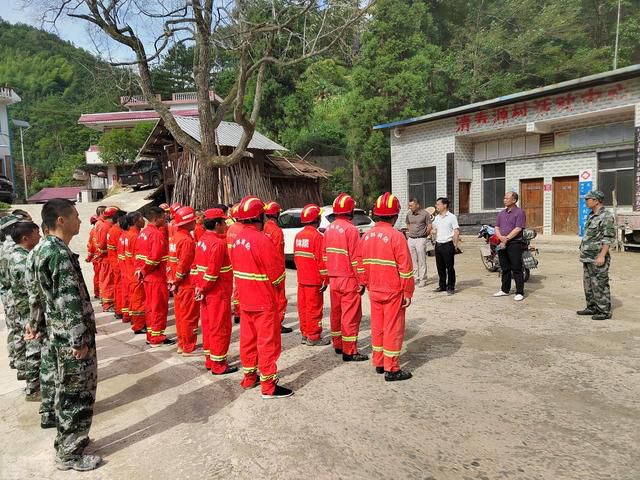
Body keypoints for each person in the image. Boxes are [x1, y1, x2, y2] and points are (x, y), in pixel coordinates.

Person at [31, 199, 101, 471]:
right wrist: (79, 339)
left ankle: (69, 441)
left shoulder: (41, 249)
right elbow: (68, 299)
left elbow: (36, 294)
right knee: (77, 393)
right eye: (75, 216)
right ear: (61, 220)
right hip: (70, 338)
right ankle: (70, 453)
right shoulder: (58, 253)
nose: (79, 221)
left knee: (66, 389)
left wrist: (36, 325)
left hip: (56, 335)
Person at [230, 196, 293, 399]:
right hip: (263, 301)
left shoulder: (237, 239)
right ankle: (268, 386)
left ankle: (249, 377)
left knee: (248, 340)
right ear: (260, 216)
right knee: (267, 343)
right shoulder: (262, 239)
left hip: (246, 300)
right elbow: (277, 275)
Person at [361, 193, 415, 381]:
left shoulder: (366, 235)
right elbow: (406, 268)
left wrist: (366, 283)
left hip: (374, 289)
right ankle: (392, 369)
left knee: (378, 327)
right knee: (393, 328)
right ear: (395, 215)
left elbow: (361, 264)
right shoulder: (396, 236)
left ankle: (379, 362)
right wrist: (408, 291)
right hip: (392, 290)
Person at [323, 193, 368, 362]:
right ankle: (350, 351)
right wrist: (362, 280)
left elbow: (325, 255)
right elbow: (357, 259)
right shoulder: (351, 230)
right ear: (350, 211)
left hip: (334, 278)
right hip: (348, 279)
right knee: (350, 316)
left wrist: (327, 276)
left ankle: (338, 344)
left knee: (336, 313)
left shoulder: (329, 229)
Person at [193, 208, 237, 374]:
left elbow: (198, 267)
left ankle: (210, 359)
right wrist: (203, 287)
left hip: (206, 291)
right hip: (217, 291)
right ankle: (218, 364)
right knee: (220, 327)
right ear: (217, 224)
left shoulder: (203, 239)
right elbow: (212, 273)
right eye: (224, 222)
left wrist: (200, 287)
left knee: (208, 325)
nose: (225, 224)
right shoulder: (218, 244)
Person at [8, 221, 42, 399]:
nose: (40, 236)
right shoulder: (22, 260)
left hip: (25, 308)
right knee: (34, 348)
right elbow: (33, 289)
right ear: (25, 238)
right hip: (28, 311)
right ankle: (33, 388)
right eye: (37, 233)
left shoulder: (18, 254)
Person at [135, 207, 176, 347]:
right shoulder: (156, 234)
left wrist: (140, 270)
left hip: (148, 277)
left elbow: (138, 256)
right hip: (156, 276)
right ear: (156, 218)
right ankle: (157, 337)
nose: (165, 220)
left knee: (151, 307)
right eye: (163, 217)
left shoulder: (143, 233)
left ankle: (151, 335)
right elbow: (155, 257)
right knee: (158, 307)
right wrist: (145, 270)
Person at [293, 204, 330, 346]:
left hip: (302, 279)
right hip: (314, 280)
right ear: (317, 219)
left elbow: (296, 258)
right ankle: (314, 337)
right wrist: (325, 279)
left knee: (303, 308)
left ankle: (305, 334)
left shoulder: (298, 236)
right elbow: (321, 261)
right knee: (314, 309)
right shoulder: (317, 237)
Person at [577, 190, 616, 321]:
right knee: (588, 283)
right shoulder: (591, 215)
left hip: (597, 256)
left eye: (588, 199)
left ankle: (604, 311)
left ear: (596, 200)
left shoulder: (606, 216)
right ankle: (592, 307)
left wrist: (602, 255)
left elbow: (608, 238)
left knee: (599, 283)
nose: (586, 201)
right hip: (587, 256)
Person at [167, 206, 200, 355]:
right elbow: (184, 264)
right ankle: (188, 347)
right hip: (186, 284)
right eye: (193, 220)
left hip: (178, 284)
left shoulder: (175, 237)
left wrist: (172, 281)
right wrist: (177, 280)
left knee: (180, 316)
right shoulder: (186, 240)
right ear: (187, 222)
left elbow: (171, 262)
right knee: (189, 317)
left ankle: (182, 344)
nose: (195, 222)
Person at [263, 201, 292, 334]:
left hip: (265, 269)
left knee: (270, 297)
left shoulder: (264, 228)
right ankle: (277, 323)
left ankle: (271, 322)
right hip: (277, 269)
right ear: (276, 213)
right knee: (280, 298)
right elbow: (277, 254)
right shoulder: (276, 231)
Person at [493, 192, 526, 301]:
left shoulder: (520, 212)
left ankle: (520, 292)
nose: (504, 200)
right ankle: (504, 289)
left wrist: (506, 239)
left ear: (514, 200)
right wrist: (501, 238)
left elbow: (518, 228)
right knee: (505, 267)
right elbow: (497, 227)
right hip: (501, 242)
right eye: (504, 197)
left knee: (516, 267)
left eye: (507, 198)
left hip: (514, 243)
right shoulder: (501, 213)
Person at [431, 197, 460, 295]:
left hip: (448, 244)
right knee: (440, 267)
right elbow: (434, 228)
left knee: (449, 267)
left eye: (438, 204)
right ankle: (442, 285)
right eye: (436, 204)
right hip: (438, 244)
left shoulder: (452, 217)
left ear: (445, 205)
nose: (436, 206)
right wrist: (433, 231)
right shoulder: (437, 218)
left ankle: (451, 287)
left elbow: (456, 231)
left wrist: (455, 245)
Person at [125, 211, 147, 334]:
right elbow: (138, 258)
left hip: (130, 272)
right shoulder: (135, 236)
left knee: (136, 299)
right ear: (136, 221)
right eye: (141, 218)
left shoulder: (130, 234)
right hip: (135, 273)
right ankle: (139, 325)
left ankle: (137, 322)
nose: (144, 221)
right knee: (138, 300)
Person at [95, 206, 118, 311]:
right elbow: (104, 245)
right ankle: (108, 304)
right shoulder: (106, 227)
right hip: (107, 258)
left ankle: (107, 302)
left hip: (105, 257)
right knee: (108, 281)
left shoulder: (101, 224)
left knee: (105, 280)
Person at [405, 198, 432, 288]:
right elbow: (408, 223)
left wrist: (425, 234)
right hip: (411, 239)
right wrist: (411, 231)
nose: (410, 207)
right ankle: (415, 278)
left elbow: (429, 225)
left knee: (421, 260)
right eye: (409, 205)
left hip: (421, 239)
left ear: (417, 205)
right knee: (413, 260)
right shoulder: (409, 214)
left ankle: (423, 279)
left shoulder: (425, 214)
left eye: (411, 205)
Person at [226, 204, 243, 324]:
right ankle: (239, 312)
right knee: (241, 289)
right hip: (240, 262)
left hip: (232, 261)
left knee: (236, 289)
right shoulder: (242, 229)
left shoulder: (231, 228)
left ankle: (237, 312)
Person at [116, 213, 131, 323]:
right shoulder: (131, 236)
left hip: (123, 267)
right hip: (128, 268)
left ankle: (125, 313)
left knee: (124, 291)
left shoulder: (122, 235)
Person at [85, 215, 100, 299]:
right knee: (99, 276)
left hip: (96, 257)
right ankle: (98, 292)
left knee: (98, 276)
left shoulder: (94, 231)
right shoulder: (95, 231)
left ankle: (98, 292)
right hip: (98, 257)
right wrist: (89, 257)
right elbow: (91, 246)